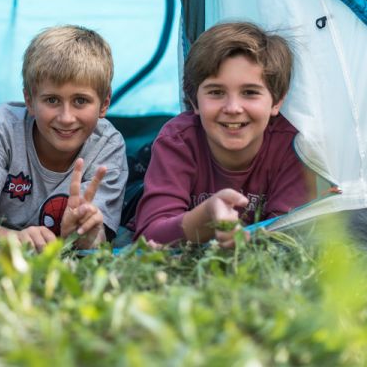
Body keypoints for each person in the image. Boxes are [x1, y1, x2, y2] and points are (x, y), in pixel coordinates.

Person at [134, 21, 314, 248]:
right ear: (194, 101)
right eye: (216, 92)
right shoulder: (178, 140)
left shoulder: (292, 147)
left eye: (249, 92)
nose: (232, 108)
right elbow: (148, 236)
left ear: (277, 101)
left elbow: (288, 237)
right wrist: (202, 219)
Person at [0, 25, 129, 251]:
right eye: (52, 100)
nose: (66, 118)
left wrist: (83, 234)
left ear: (104, 104)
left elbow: (95, 241)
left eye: (80, 101)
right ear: (29, 101)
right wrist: (14, 239)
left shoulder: (107, 146)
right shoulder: (1, 128)